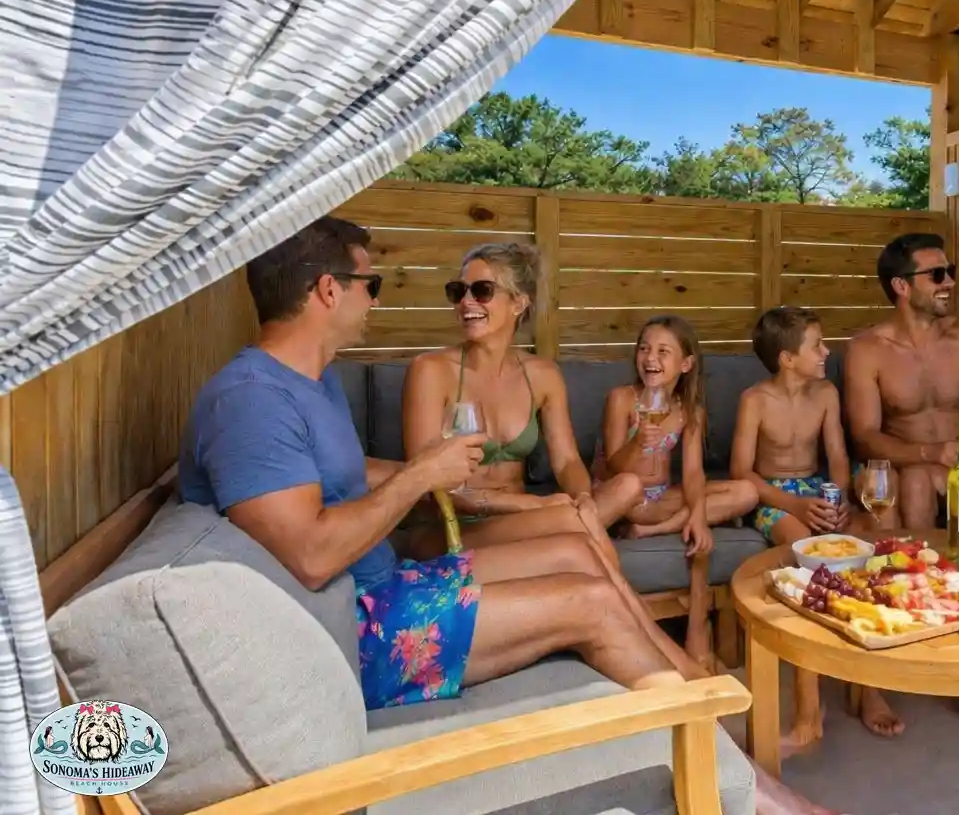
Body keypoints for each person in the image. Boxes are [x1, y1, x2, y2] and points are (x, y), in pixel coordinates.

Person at [177, 216, 843, 815]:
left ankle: (703, 703)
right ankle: (750, 784)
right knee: (590, 601)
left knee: (580, 552)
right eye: (369, 283)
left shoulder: (306, 381)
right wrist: (424, 474)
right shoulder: (252, 401)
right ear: (328, 290)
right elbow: (313, 554)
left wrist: (441, 476)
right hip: (360, 629)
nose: (374, 299)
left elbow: (347, 480)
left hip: (384, 590)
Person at [842, 231, 959, 733]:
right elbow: (864, 437)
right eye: (937, 275)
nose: (949, 283)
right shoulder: (868, 349)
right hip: (906, 468)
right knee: (916, 486)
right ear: (902, 287)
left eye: (951, 273)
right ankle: (875, 678)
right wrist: (932, 453)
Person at [399, 242, 643, 551]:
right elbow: (423, 483)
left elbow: (567, 461)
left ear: (519, 303)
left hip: (519, 521)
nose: (466, 302)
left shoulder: (542, 375)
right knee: (576, 531)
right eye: (458, 291)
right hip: (451, 527)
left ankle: (581, 537)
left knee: (626, 487)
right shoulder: (431, 371)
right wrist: (529, 506)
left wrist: (584, 499)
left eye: (482, 290)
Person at [730, 305, 864, 754]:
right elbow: (741, 474)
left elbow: (839, 459)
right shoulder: (754, 400)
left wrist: (837, 499)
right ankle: (809, 712)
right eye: (817, 346)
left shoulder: (825, 394)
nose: (827, 352)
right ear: (787, 358)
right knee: (807, 554)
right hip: (773, 496)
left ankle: (870, 689)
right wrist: (793, 504)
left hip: (815, 488)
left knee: (863, 549)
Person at [594, 314, 758, 661]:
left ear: (685, 364)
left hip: (661, 504)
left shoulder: (687, 410)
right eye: (644, 349)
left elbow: (694, 473)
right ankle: (698, 627)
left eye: (663, 351)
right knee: (633, 484)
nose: (650, 358)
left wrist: (697, 517)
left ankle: (653, 530)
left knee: (747, 493)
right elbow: (613, 468)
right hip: (625, 498)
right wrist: (638, 442)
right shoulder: (621, 399)